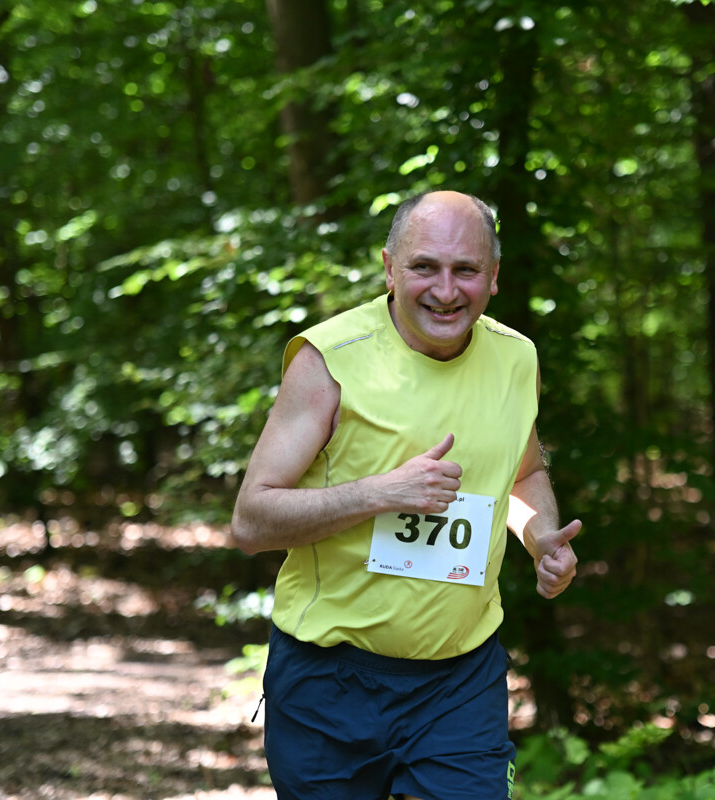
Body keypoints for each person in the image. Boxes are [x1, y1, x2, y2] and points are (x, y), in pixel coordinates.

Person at [230, 189, 581, 800]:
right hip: (328, 678)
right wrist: (380, 493)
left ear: (493, 278)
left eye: (465, 270)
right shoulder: (329, 361)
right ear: (390, 268)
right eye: (425, 267)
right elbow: (251, 521)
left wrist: (537, 536)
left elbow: (523, 473)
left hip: (460, 681)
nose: (445, 290)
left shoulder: (516, 357)